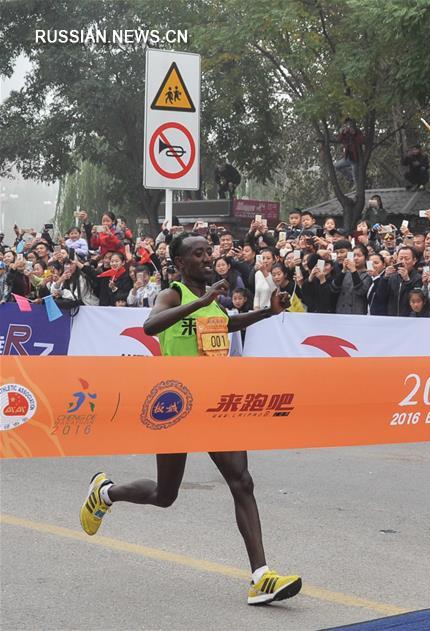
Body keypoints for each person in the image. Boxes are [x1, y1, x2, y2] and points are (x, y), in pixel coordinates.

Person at [79, 232, 302, 606]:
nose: (207, 258)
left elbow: (225, 327)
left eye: (208, 252)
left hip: (214, 402)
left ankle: (261, 577)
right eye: (197, 254)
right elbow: (151, 327)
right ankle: (105, 492)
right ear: (180, 264)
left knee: (242, 481)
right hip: (176, 404)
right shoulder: (174, 295)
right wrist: (201, 300)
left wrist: (267, 311)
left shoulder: (214, 302)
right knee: (165, 495)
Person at [334, 118, 364, 186]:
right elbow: (339, 140)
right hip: (348, 158)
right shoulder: (345, 133)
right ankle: (351, 178)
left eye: (349, 124)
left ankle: (357, 191)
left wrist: (354, 133)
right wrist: (342, 133)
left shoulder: (357, 131)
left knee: (357, 180)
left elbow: (361, 140)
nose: (348, 126)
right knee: (336, 166)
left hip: (356, 159)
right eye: (346, 124)